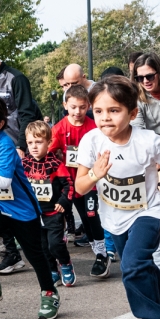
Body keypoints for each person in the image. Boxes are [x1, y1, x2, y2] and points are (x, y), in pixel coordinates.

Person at [74, 76, 160, 319]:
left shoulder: (148, 141)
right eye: (99, 111)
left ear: (132, 113)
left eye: (114, 111)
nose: (105, 118)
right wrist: (94, 175)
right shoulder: (90, 141)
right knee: (139, 270)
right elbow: (79, 186)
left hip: (148, 212)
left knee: (132, 265)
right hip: (113, 217)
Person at [0, 94, 61, 319]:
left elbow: (3, 181)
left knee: (35, 255)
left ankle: (49, 292)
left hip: (22, 210)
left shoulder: (5, 145)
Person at [52, 84, 107, 274]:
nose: (78, 111)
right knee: (84, 217)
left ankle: (102, 255)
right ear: (65, 105)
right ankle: (98, 250)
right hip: (72, 183)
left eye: (83, 107)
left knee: (92, 215)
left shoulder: (94, 127)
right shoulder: (59, 129)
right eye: (73, 107)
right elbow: (49, 155)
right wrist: (60, 163)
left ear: (89, 106)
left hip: (93, 182)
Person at [22, 120, 76, 288]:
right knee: (42, 247)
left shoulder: (56, 164)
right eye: (30, 143)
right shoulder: (24, 165)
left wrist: (63, 202)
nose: (34, 146)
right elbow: (20, 186)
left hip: (53, 212)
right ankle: (52, 270)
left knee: (55, 244)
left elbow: (69, 184)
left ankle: (66, 263)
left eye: (39, 142)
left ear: (49, 142)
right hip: (34, 214)